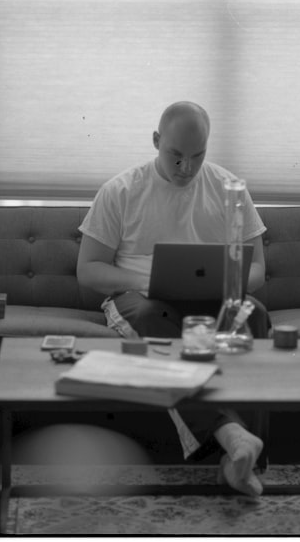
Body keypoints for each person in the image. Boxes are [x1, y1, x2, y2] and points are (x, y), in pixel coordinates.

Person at [77, 101, 269, 496]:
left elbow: (258, 271)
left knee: (255, 313)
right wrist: (143, 280)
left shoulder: (229, 188)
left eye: (197, 157)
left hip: (210, 298)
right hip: (138, 298)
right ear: (155, 141)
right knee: (151, 314)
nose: (186, 169)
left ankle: (239, 456)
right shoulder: (121, 190)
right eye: (176, 156)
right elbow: (89, 269)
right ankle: (235, 440)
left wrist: (226, 285)